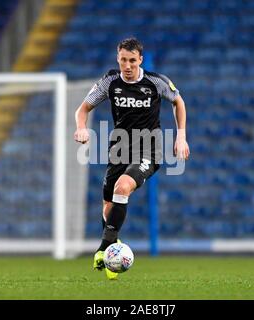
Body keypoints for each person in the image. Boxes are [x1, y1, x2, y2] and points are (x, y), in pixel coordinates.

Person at [74, 38, 190, 280]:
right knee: (108, 206)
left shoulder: (156, 82)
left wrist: (181, 137)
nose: (127, 65)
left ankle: (104, 249)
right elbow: (82, 109)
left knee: (123, 186)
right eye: (123, 60)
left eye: (132, 61)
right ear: (118, 58)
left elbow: (178, 101)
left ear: (140, 60)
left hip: (150, 149)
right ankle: (112, 253)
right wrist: (81, 127)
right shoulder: (110, 82)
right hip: (119, 149)